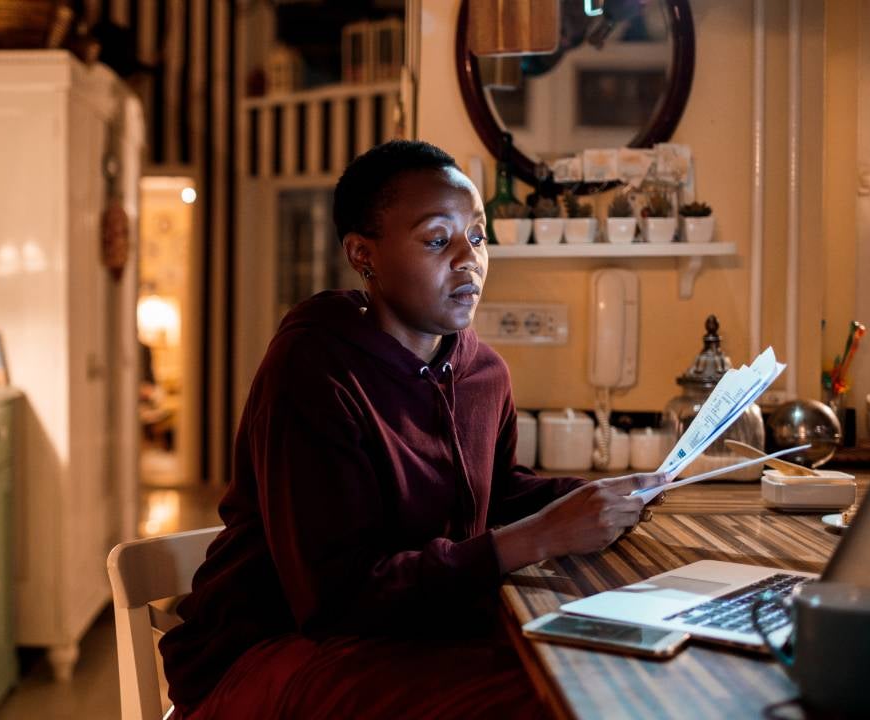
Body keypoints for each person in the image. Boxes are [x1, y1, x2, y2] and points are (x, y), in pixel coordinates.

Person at [159, 140, 665, 719]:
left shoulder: (484, 374)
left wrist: (602, 498)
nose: (467, 258)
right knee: (541, 700)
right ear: (362, 254)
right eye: (436, 239)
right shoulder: (313, 372)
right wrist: (538, 537)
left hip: (413, 630)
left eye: (476, 236)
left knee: (596, 675)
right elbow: (334, 599)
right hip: (279, 646)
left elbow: (493, 494)